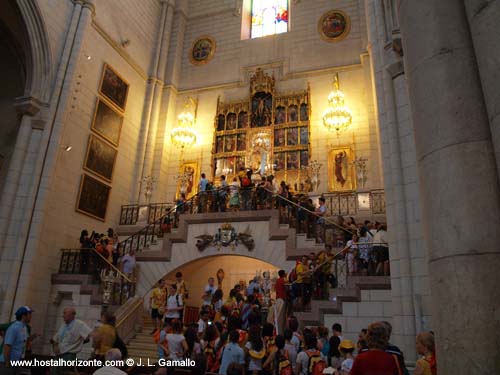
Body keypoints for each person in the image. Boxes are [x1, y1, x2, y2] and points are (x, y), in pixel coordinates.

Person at [51, 307, 92, 375]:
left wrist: (78, 343)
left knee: (63, 372)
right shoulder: (63, 325)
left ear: (72, 315)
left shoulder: (79, 324)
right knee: (54, 371)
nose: (63, 315)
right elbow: (56, 338)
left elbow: (88, 335)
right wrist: (55, 345)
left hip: (69, 355)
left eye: (65, 313)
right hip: (59, 355)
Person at [0, 306, 33, 370]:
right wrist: (7, 363)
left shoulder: (24, 328)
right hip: (8, 362)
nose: (31, 316)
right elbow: (7, 346)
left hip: (16, 362)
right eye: (29, 314)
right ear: (23, 316)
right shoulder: (14, 328)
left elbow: (24, 341)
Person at [274, 270, 287, 335]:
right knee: (281, 316)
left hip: (278, 298)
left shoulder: (277, 280)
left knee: (278, 314)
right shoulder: (283, 280)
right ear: (283, 274)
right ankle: (280, 332)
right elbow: (286, 287)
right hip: (282, 298)